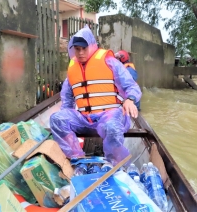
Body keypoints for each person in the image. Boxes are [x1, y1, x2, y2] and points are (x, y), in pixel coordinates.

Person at [50, 25, 141, 166]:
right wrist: (66, 119)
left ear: (91, 46)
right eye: (77, 49)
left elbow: (131, 86)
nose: (80, 53)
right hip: (85, 119)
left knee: (112, 127)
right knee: (57, 119)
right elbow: (67, 99)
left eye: (84, 48)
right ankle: (77, 159)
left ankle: (115, 164)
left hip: (109, 116)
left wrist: (130, 99)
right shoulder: (72, 69)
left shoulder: (110, 62)